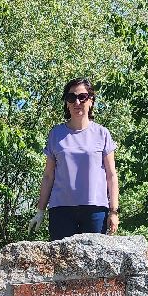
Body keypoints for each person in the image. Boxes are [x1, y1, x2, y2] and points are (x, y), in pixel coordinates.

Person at [32, 77, 119, 240]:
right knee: (61, 256)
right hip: (61, 210)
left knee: (95, 256)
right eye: (71, 97)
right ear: (66, 103)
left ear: (91, 101)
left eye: (82, 97)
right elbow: (48, 176)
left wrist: (114, 211)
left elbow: (111, 175)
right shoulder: (56, 134)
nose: (77, 102)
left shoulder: (102, 134)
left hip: (95, 210)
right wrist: (40, 211)